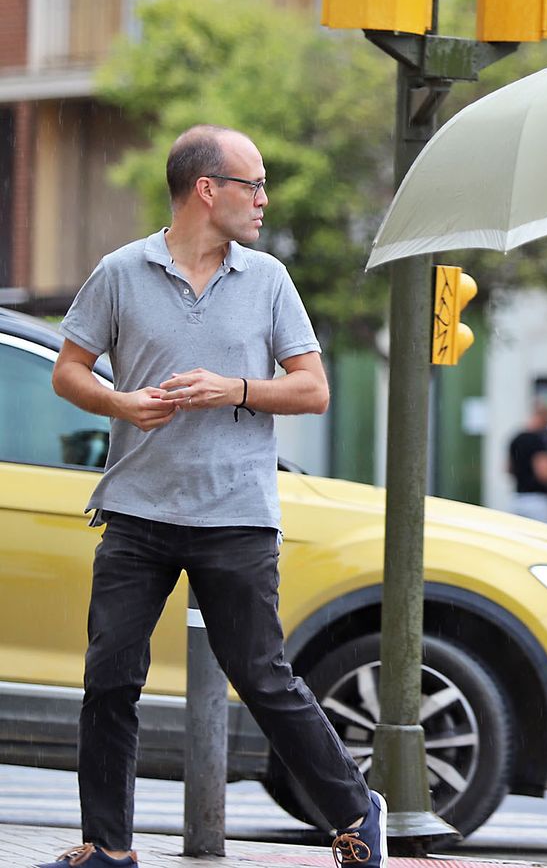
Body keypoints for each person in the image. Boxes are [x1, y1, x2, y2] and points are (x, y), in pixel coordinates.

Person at [41, 125, 386, 868]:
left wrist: (236, 388)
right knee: (109, 680)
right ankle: (107, 846)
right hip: (137, 511)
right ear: (207, 189)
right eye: (252, 184)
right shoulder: (120, 272)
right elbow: (68, 370)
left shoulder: (267, 280)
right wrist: (121, 404)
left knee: (262, 677)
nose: (263, 199)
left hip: (235, 514)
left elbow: (314, 389)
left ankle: (358, 810)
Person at [506, 399, 547, 523]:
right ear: (544, 416)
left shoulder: (516, 438)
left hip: (518, 499)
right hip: (538, 502)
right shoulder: (538, 440)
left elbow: (508, 468)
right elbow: (544, 474)